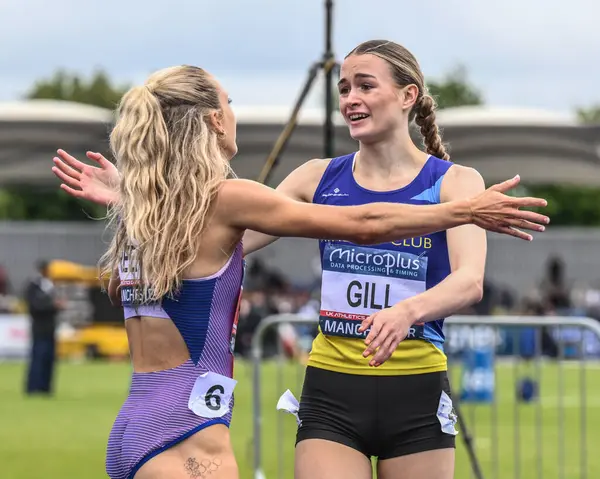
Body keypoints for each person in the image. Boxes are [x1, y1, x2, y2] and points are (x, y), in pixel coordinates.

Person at [51, 58, 549, 479]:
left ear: (408, 96)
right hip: (191, 439)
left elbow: (170, 260)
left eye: (364, 85)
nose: (350, 96)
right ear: (213, 121)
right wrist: (461, 211)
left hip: (136, 428)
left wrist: (131, 197)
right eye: (229, 102)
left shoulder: (157, 217)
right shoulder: (229, 199)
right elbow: (365, 223)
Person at [24, 260, 64, 396]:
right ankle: (33, 388)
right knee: (38, 358)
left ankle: (45, 388)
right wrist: (53, 306)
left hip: (50, 328)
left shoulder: (49, 286)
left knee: (49, 359)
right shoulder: (33, 286)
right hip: (39, 329)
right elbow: (34, 306)